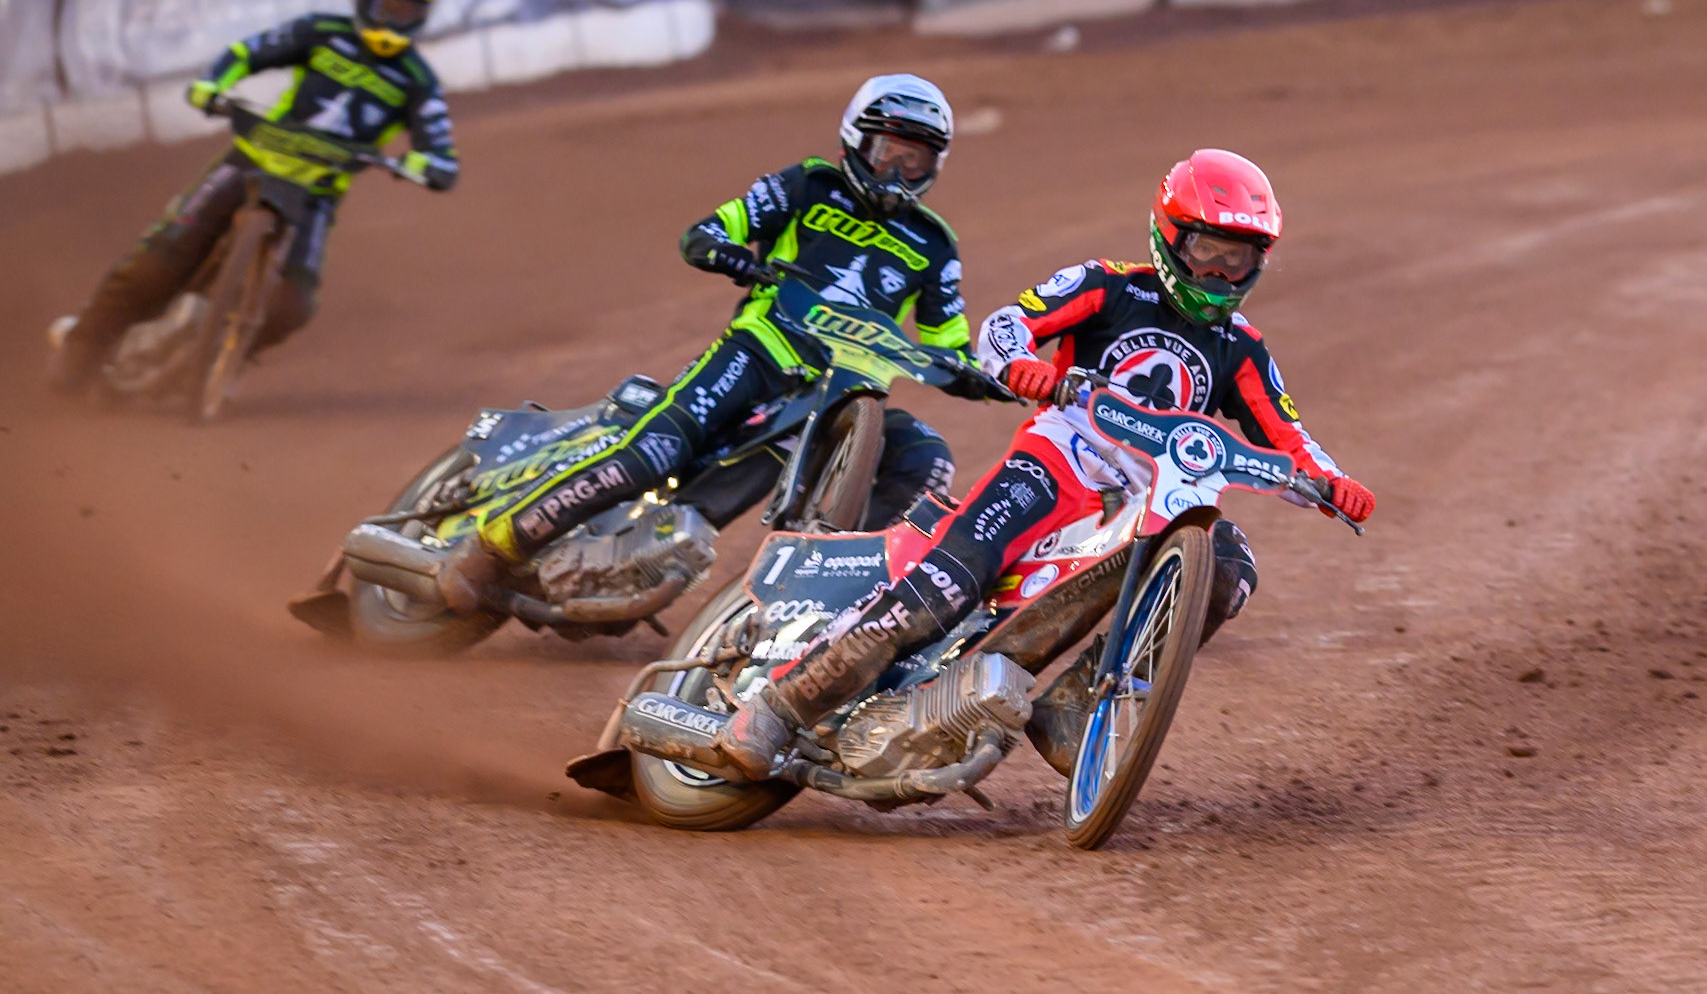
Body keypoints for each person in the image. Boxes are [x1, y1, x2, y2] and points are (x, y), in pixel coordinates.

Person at [714, 148, 1377, 780]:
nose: (1218, 274)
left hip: (1142, 499)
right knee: (954, 578)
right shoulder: (1108, 285)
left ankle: (1076, 704)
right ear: (1170, 236)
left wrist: (1332, 484)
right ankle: (781, 707)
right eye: (1206, 252)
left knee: (1227, 565)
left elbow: (1290, 437)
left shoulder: (1242, 348)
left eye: (1238, 260)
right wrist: (1026, 369)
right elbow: (1006, 325)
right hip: (1056, 460)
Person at [435, 74, 984, 611]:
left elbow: (950, 343)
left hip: (835, 395)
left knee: (926, 457)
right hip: (760, 351)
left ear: (935, 165)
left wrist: (983, 372)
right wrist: (726, 252)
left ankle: (844, 600)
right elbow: (711, 230)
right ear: (855, 141)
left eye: (914, 159)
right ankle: (489, 549)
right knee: (655, 453)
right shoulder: (809, 185)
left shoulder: (935, 244)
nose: (897, 170)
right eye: (888, 151)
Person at [50, 0, 459, 391]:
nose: (394, 19)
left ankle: (222, 357)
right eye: (387, 5)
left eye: (408, 9)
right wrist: (213, 85)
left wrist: (428, 164)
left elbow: (439, 147)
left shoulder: (418, 80)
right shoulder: (320, 32)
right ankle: (82, 347)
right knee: (160, 263)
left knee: (294, 305)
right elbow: (248, 52)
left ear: (424, 14)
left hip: (318, 190)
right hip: (251, 161)